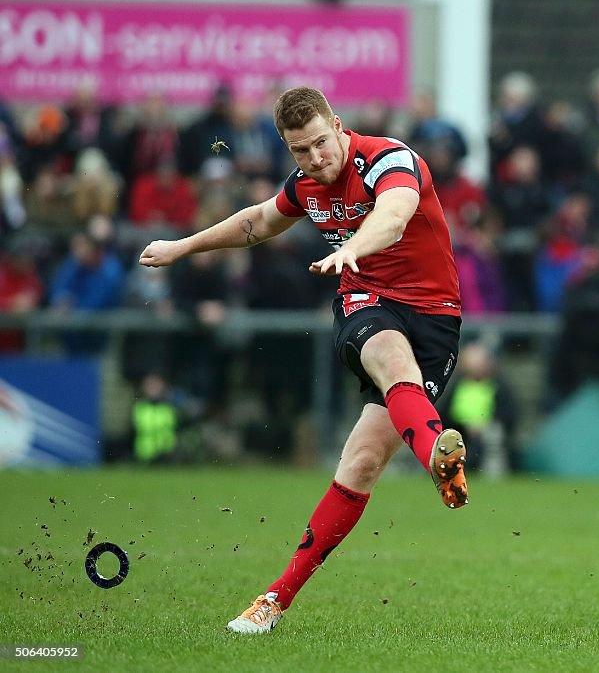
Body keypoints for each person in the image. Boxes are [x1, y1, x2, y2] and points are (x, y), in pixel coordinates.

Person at [139, 86, 468, 634]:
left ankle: (283, 591)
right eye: (299, 151)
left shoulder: (390, 158)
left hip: (435, 315)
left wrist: (353, 247)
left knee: (361, 465)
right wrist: (182, 246)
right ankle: (437, 454)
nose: (315, 159)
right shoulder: (307, 185)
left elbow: (394, 214)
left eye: (320, 144)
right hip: (367, 302)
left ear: (338, 125)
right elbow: (258, 222)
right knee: (388, 357)